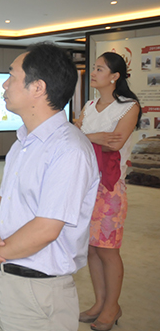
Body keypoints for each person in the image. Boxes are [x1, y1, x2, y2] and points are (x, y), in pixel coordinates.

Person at [0, 43, 100, 331]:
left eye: (11, 76)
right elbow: (4, 199)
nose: (4, 85)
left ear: (38, 87)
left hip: (38, 292)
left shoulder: (69, 149)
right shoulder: (23, 143)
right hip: (6, 277)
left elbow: (46, 228)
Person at [75, 52, 140, 331]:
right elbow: (73, 138)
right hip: (85, 184)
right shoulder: (89, 106)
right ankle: (100, 303)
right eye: (94, 68)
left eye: (100, 69)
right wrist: (93, 138)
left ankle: (112, 306)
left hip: (110, 187)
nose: (93, 72)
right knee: (92, 248)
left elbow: (114, 144)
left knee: (108, 249)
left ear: (115, 76)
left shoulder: (128, 106)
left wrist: (86, 137)